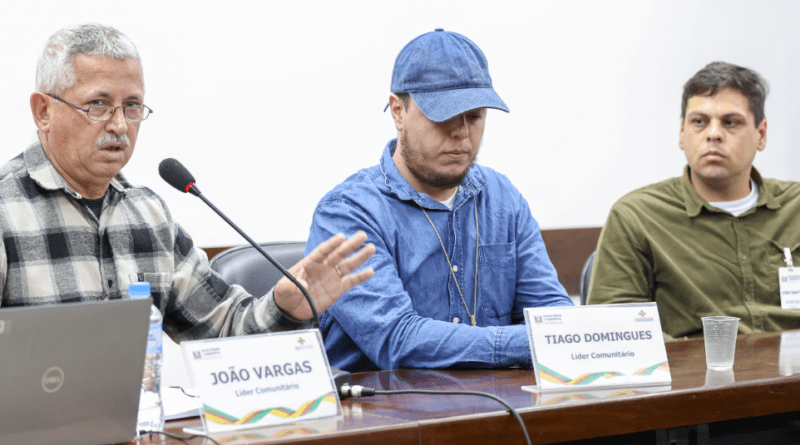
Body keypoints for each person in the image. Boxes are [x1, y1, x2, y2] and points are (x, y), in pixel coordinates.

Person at [0, 23, 375, 341]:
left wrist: (284, 306)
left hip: (139, 425)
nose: (118, 124)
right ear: (43, 111)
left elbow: (224, 327)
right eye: (98, 104)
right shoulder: (6, 209)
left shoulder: (147, 215)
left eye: (132, 106)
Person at [304, 29, 573, 372]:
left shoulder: (503, 199)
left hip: (501, 409)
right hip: (387, 416)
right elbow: (397, 339)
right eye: (444, 116)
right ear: (398, 111)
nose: (461, 131)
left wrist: (560, 337)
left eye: (475, 116)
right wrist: (530, 342)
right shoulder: (348, 212)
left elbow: (554, 317)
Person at [587, 61, 800, 340]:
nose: (713, 134)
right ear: (682, 133)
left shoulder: (795, 207)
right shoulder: (638, 216)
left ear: (761, 135)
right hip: (701, 378)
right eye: (699, 122)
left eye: (730, 122)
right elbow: (617, 330)